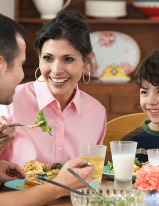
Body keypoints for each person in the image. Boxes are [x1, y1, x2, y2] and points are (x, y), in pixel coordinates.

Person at [0, 13, 94, 205]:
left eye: (68, 59)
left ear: (87, 61)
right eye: (48, 58)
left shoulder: (97, 112)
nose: (56, 69)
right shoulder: (8, 101)